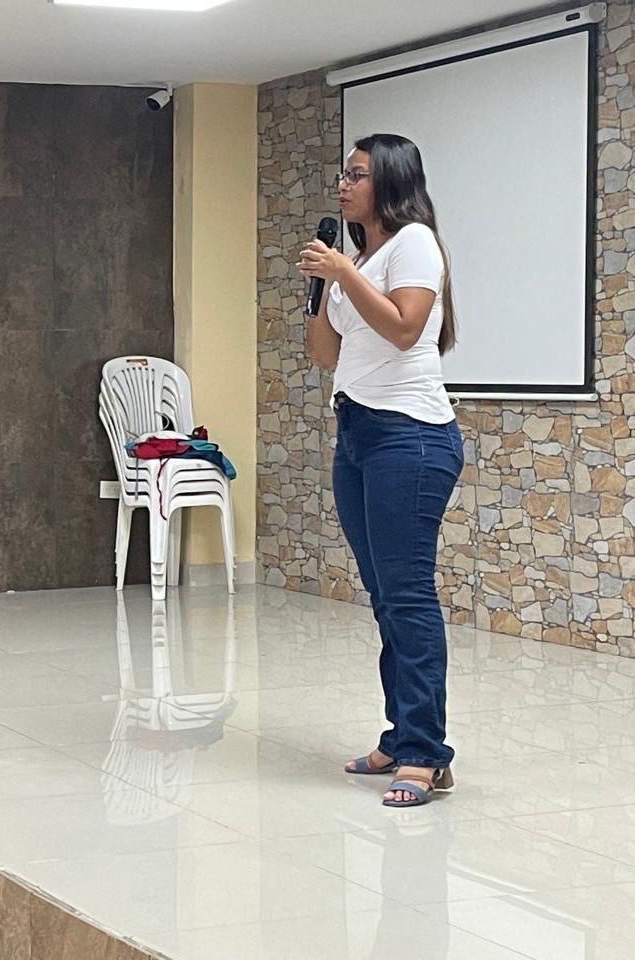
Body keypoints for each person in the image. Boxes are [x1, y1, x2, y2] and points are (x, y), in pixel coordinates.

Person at [298, 133, 462, 807]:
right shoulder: (360, 259)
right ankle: (401, 736)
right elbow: (325, 356)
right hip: (358, 434)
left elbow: (403, 328)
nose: (344, 184)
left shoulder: (414, 243)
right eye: (344, 174)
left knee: (408, 596)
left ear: (390, 182)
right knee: (384, 596)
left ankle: (425, 753)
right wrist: (319, 289)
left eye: (358, 175)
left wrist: (343, 274)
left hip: (410, 437)